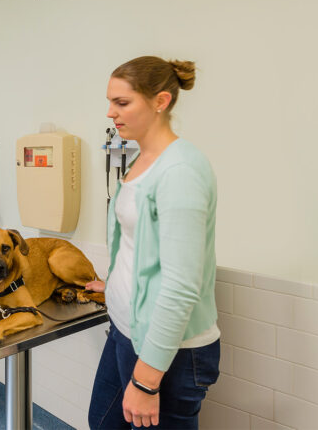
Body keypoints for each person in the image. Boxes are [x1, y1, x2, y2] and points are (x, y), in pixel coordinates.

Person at [86, 56, 220, 429]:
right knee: (102, 423)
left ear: (161, 101)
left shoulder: (181, 170)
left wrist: (146, 380)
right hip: (126, 331)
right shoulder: (142, 160)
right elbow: (139, 246)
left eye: (122, 102)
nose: (111, 112)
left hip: (168, 352)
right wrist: (113, 284)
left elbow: (182, 285)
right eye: (111, 102)